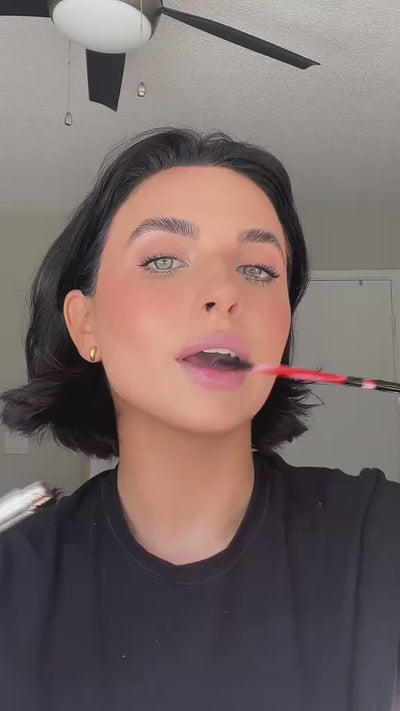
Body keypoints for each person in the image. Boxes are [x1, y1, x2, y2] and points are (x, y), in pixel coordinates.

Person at [0, 128, 399, 711]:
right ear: (86, 324)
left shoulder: (379, 538)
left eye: (258, 269)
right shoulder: (14, 582)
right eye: (163, 260)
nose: (223, 291)